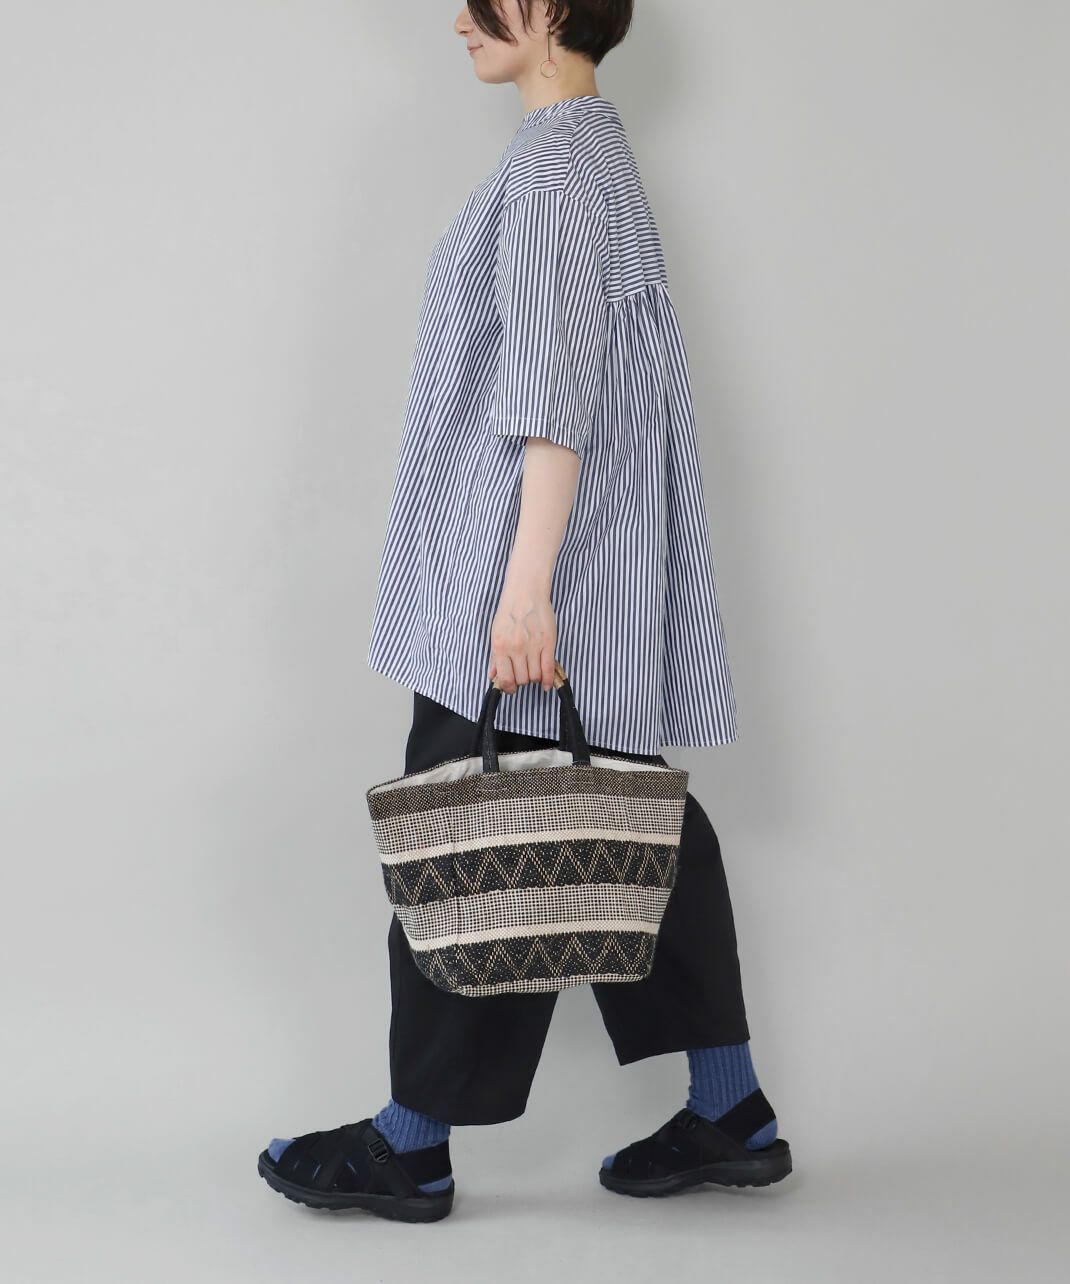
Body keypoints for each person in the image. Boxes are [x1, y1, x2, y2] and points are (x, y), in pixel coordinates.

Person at [258, 1, 792, 1222]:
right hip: (594, 572)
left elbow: (554, 391)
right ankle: (731, 1109)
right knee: (635, 830)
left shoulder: (553, 168)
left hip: (531, 574)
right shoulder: (593, 147)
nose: (457, 19)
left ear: (548, 9)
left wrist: (523, 585)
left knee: (472, 833)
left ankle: (411, 1146)